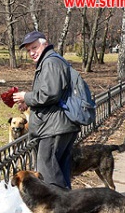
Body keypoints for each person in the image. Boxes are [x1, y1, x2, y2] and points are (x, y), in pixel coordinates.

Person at [13, 31, 80, 189]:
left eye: (34, 47)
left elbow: (50, 94)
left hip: (54, 127)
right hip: (58, 124)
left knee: (48, 173)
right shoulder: (49, 61)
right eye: (28, 50)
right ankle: (68, 209)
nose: (31, 53)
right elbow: (53, 93)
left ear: (45, 44)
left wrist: (26, 96)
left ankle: (57, 211)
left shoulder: (50, 62)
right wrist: (28, 102)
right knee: (60, 171)